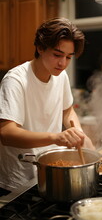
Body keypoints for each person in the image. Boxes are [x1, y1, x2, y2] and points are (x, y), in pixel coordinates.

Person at [0, 17, 95, 191]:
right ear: (40, 48)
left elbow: (67, 111)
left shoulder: (61, 76)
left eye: (68, 57)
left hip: (50, 170)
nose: (63, 63)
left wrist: (79, 133)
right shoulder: (16, 80)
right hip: (18, 178)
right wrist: (56, 137)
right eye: (57, 55)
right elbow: (7, 133)